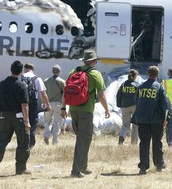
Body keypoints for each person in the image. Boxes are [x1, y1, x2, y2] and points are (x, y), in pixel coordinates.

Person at [61, 50, 110, 178]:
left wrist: (63, 107)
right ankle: (76, 170)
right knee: (83, 140)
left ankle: (83, 166)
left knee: (83, 138)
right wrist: (107, 109)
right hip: (86, 111)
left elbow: (66, 91)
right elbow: (101, 94)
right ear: (93, 62)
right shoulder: (95, 74)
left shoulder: (74, 71)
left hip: (73, 109)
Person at [132, 66, 170, 175]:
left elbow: (137, 101)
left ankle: (143, 167)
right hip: (156, 120)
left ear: (148, 74)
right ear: (157, 75)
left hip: (142, 119)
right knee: (157, 142)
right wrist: (165, 118)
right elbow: (165, 105)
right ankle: (159, 163)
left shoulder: (140, 87)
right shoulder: (159, 87)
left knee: (144, 143)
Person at [0, 60, 31, 175]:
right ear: (21, 71)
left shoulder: (1, 84)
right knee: (23, 142)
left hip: (3, 117)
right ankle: (20, 169)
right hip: (18, 117)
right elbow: (25, 105)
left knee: (1, 141)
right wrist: (27, 121)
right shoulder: (21, 85)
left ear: (11, 69)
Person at [23, 63, 51, 148]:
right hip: (32, 104)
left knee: (21, 123)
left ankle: (22, 143)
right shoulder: (37, 78)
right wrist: (47, 104)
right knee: (32, 123)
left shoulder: (20, 77)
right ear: (33, 69)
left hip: (21, 104)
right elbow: (43, 93)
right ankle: (30, 144)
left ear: (24, 69)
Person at [43, 64, 66, 145]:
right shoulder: (63, 82)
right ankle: (55, 141)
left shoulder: (46, 81)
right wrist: (64, 107)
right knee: (56, 123)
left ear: (52, 71)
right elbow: (64, 95)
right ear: (59, 72)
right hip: (58, 104)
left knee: (47, 121)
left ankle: (46, 135)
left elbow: (43, 93)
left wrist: (44, 103)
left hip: (48, 103)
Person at [116, 69, 140, 145]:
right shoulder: (137, 85)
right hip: (134, 106)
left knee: (125, 125)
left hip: (124, 107)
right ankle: (133, 143)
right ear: (135, 76)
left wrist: (119, 105)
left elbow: (118, 95)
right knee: (135, 125)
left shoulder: (123, 85)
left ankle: (122, 137)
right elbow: (140, 96)